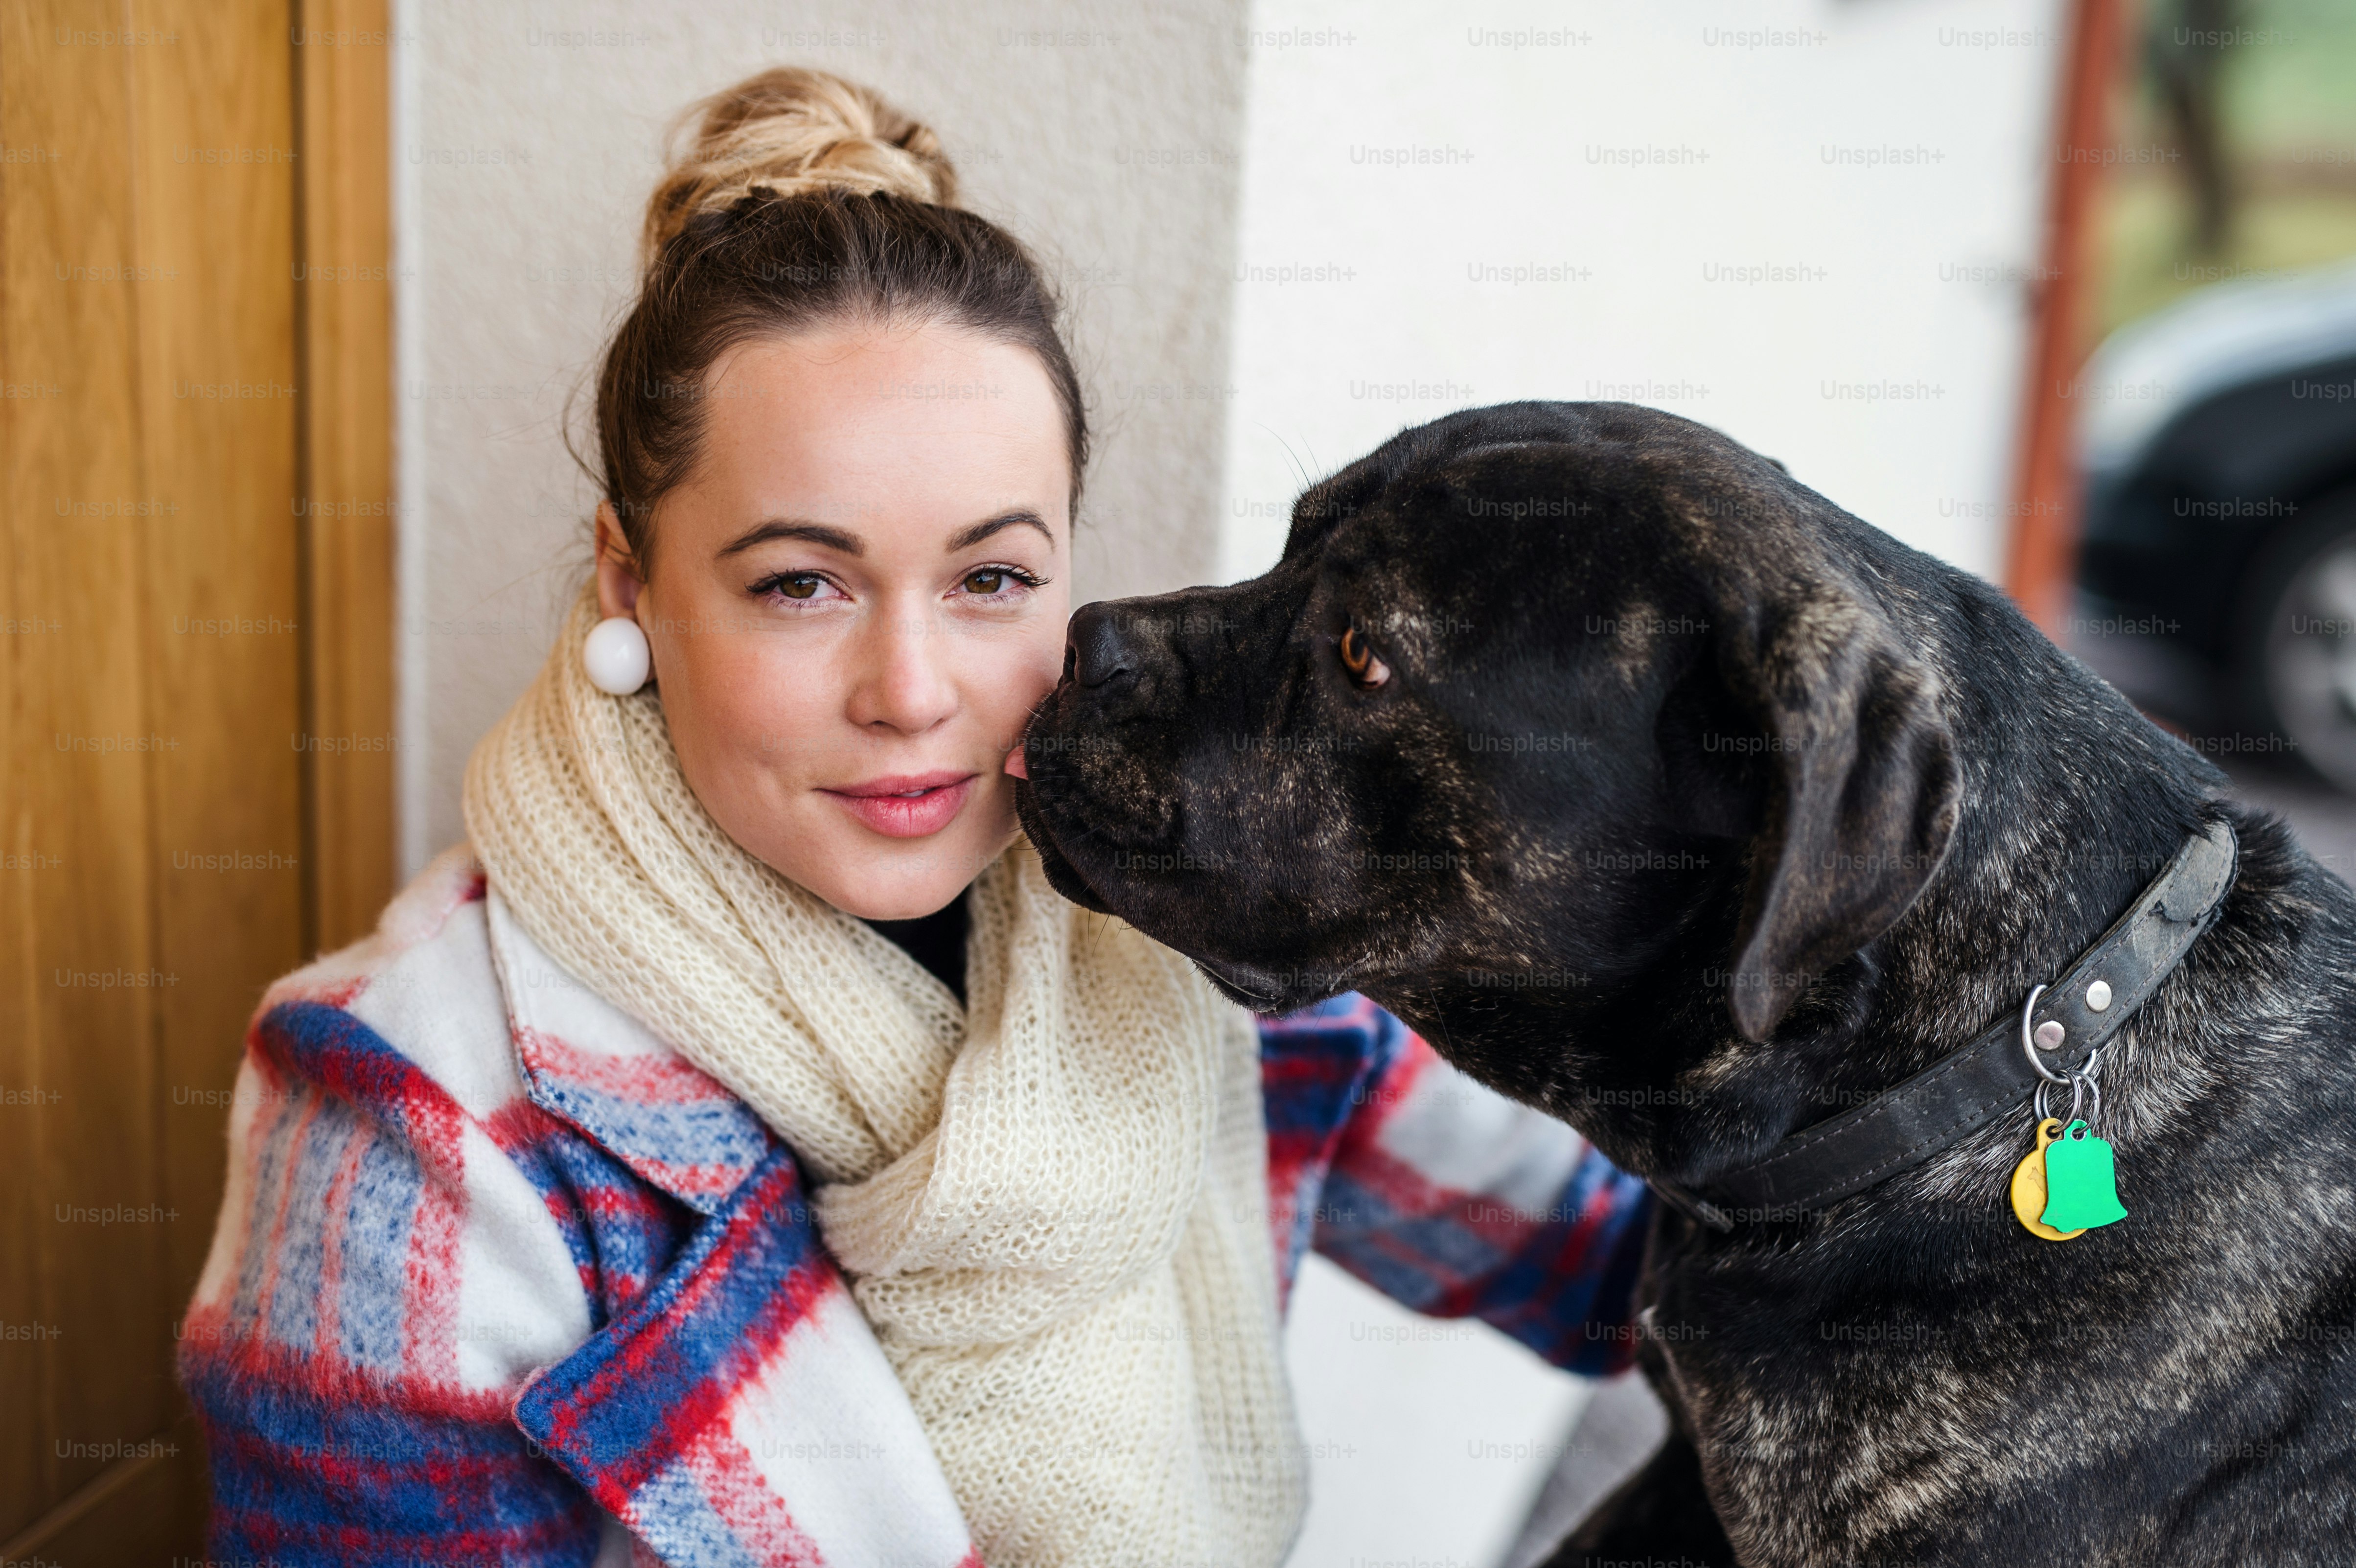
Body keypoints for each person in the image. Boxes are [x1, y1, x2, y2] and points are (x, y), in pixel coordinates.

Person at [177, 67, 1650, 1568]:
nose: (912, 688)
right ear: (631, 580)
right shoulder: (410, 1125)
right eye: (798, 584)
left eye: (992, 578)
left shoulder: (1189, 940)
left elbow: (1628, 1260)